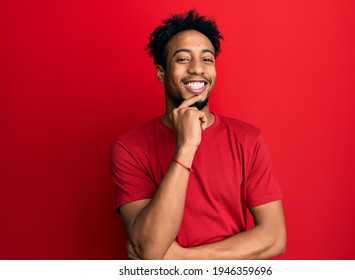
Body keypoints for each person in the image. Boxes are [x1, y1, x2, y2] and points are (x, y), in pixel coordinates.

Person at [110, 10, 286, 260]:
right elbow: (149, 248)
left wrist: (183, 259)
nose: (197, 69)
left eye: (207, 59)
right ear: (161, 72)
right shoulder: (129, 147)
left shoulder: (248, 139)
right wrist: (187, 145)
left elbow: (274, 237)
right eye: (182, 59)